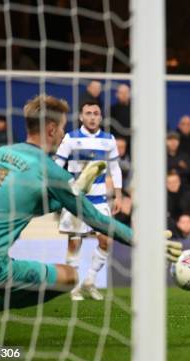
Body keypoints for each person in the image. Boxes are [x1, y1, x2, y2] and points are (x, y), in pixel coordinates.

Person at [0, 95, 134, 323]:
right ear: (51, 129)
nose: (64, 134)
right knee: (69, 276)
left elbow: (28, 207)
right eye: (63, 128)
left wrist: (75, 190)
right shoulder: (49, 170)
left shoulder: (1, 153)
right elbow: (96, 219)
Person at [54, 100, 123, 301]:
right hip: (76, 199)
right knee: (75, 242)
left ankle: (90, 280)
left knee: (106, 240)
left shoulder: (108, 140)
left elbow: (115, 169)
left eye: (96, 113)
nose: (92, 116)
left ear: (100, 117)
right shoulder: (71, 138)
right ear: (81, 117)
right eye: (88, 113)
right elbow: (57, 164)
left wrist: (118, 195)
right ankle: (74, 286)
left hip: (99, 200)